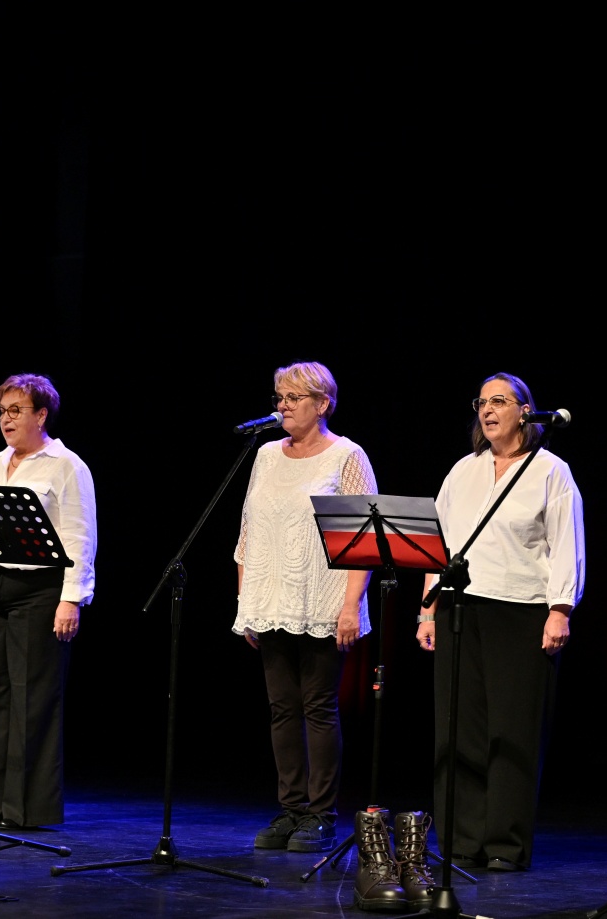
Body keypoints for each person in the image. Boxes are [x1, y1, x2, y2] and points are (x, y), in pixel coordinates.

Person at [418, 371, 585, 872]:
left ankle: (505, 845)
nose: (487, 410)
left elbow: (567, 544)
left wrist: (560, 610)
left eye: (499, 401)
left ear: (524, 411)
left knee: (513, 732)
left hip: (522, 611)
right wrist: (427, 609)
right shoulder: (463, 470)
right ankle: (460, 841)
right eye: (481, 402)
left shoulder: (550, 470)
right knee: (459, 730)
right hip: (459, 610)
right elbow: (436, 544)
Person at [233, 360, 377, 854]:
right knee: (281, 709)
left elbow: (364, 541)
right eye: (280, 397)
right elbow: (248, 532)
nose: (283, 406)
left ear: (323, 404)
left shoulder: (347, 456)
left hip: (322, 600)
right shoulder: (265, 455)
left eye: (294, 398)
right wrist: (246, 601)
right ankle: (291, 808)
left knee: (318, 706)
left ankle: (320, 815)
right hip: (270, 599)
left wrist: (350, 606)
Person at [0, 373, 96, 828]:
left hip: (39, 593)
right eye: (2, 411)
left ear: (42, 415)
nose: (6, 419)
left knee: (31, 700)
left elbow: (79, 536)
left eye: (16, 410)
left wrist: (71, 599)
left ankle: (25, 811)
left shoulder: (66, 465)